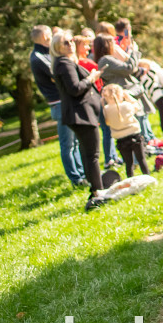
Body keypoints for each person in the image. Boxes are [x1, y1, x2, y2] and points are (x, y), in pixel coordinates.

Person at [50, 29, 106, 211]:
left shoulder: (65, 62)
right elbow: (75, 89)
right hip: (80, 113)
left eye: (72, 40)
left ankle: (96, 189)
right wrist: (91, 78)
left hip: (81, 113)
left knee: (89, 154)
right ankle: (98, 191)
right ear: (57, 47)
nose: (71, 44)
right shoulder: (64, 64)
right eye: (66, 42)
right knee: (92, 155)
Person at [30, 25, 85, 186]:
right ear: (45, 37)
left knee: (74, 142)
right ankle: (76, 178)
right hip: (59, 104)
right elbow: (57, 74)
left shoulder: (45, 54)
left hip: (64, 102)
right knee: (67, 144)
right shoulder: (38, 56)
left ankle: (82, 174)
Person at [93, 33, 158, 151]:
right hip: (125, 96)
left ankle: (147, 147)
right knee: (137, 124)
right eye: (112, 43)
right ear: (106, 45)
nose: (115, 45)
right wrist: (134, 52)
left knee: (142, 120)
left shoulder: (109, 58)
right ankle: (142, 150)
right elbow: (128, 68)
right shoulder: (105, 60)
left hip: (128, 93)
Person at [74, 34, 118, 167]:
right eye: (85, 45)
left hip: (95, 96)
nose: (88, 48)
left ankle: (112, 156)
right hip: (96, 96)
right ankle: (110, 158)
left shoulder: (80, 62)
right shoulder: (82, 63)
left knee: (106, 129)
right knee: (106, 129)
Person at [101, 84, 150, 178]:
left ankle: (130, 178)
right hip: (134, 136)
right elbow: (137, 106)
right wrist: (128, 97)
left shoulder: (105, 109)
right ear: (120, 95)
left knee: (128, 163)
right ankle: (147, 176)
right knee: (141, 159)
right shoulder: (126, 106)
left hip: (120, 140)